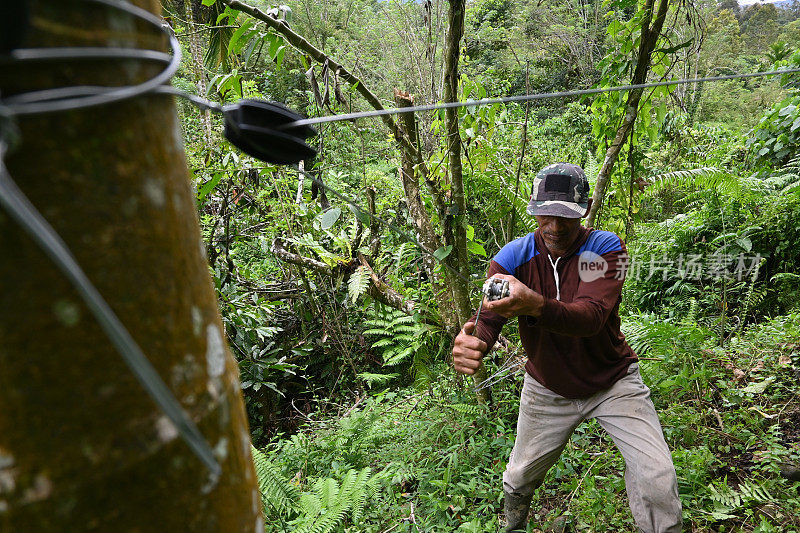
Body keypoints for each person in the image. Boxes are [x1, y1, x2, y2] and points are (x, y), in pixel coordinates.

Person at [452, 163, 682, 533]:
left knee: (657, 477)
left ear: (586, 208)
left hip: (613, 382)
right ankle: (514, 524)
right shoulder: (510, 259)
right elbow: (489, 318)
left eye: (566, 217)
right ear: (533, 208)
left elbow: (591, 316)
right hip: (548, 386)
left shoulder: (606, 248)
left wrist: (534, 305)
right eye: (546, 215)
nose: (554, 227)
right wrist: (473, 342)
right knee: (520, 476)